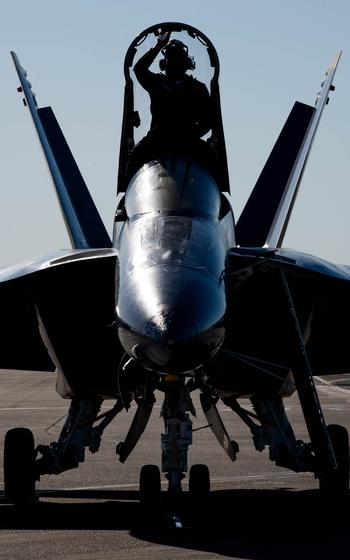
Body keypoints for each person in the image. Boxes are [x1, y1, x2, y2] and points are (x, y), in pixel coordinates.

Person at [127, 32, 216, 178]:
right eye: (171, 56)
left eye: (178, 57)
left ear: (186, 63)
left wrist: (188, 135)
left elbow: (208, 121)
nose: (174, 61)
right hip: (158, 140)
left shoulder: (197, 89)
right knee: (135, 158)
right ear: (164, 63)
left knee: (212, 161)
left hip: (187, 141)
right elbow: (139, 70)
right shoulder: (157, 83)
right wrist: (159, 45)